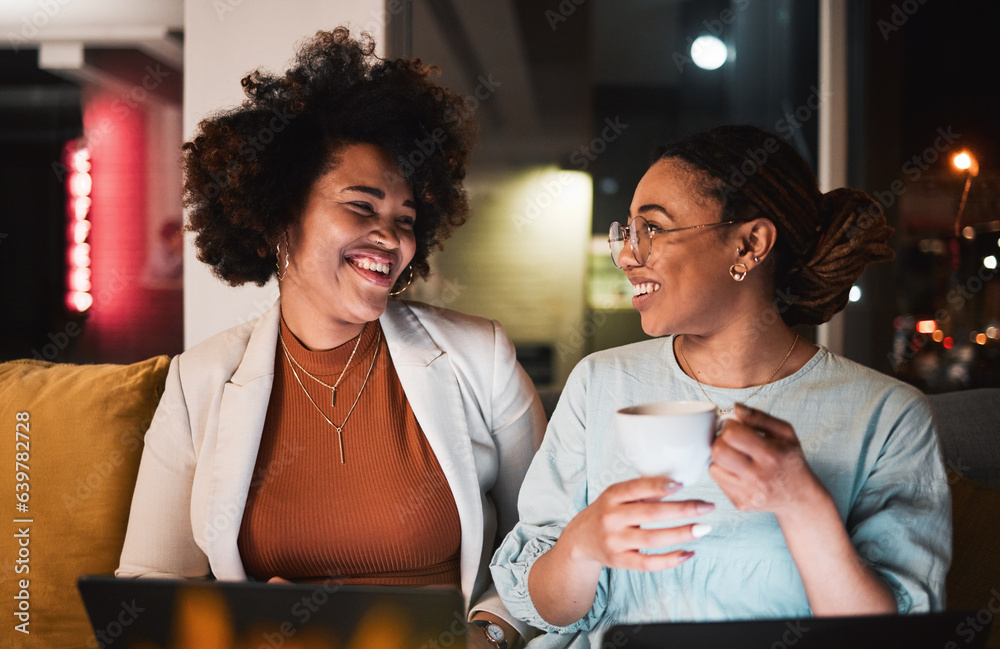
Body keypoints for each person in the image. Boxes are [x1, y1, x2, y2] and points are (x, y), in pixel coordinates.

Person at [116, 28, 546, 649]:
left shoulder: (480, 357)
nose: (392, 239)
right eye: (361, 208)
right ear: (278, 220)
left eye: (405, 219)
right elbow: (148, 581)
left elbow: (546, 535)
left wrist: (490, 634)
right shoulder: (199, 382)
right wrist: (242, 625)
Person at [490, 125, 950, 648]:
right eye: (628, 232)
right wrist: (581, 546)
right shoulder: (601, 382)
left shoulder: (888, 417)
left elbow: (888, 640)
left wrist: (803, 504)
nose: (626, 256)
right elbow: (550, 611)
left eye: (654, 229)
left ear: (750, 243)